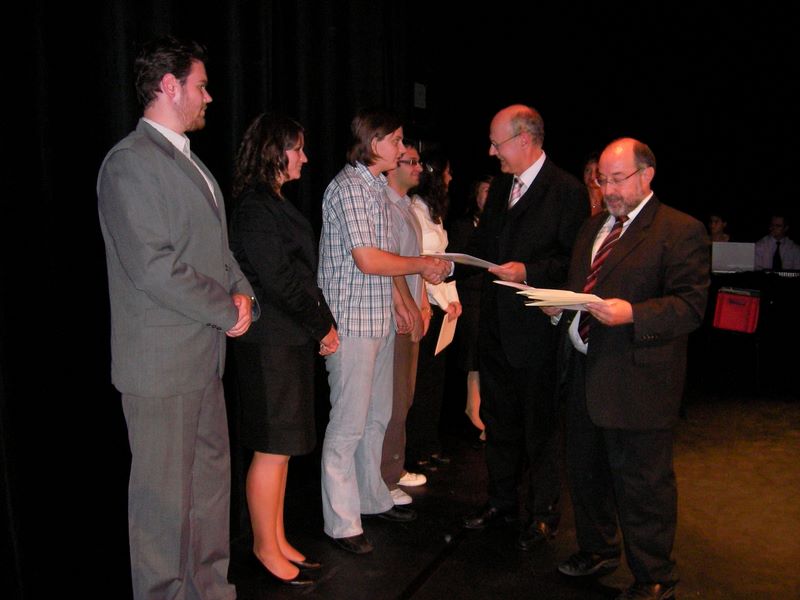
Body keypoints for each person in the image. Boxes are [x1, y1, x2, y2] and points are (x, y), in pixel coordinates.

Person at [96, 36, 254, 600]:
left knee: (209, 498)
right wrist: (224, 308)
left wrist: (244, 296)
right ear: (170, 86)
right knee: (162, 513)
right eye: (201, 86)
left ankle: (210, 592)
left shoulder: (193, 164)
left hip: (204, 361)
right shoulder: (129, 164)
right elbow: (153, 267)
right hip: (160, 371)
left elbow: (219, 253)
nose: (209, 97)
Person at [549, 138, 709, 600]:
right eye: (602, 180)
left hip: (638, 378)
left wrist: (633, 314)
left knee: (643, 484)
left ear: (647, 174)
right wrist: (559, 307)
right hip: (584, 371)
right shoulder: (592, 228)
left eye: (618, 179)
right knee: (586, 473)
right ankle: (597, 549)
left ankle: (654, 574)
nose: (609, 190)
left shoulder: (679, 229)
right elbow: (582, 288)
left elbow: (690, 306)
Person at [317, 108, 451, 555]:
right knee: (349, 424)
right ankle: (341, 522)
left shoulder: (375, 188)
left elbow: (384, 261)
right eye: (396, 140)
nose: (402, 148)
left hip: (377, 321)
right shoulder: (350, 188)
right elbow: (369, 259)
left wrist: (403, 302)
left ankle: (371, 498)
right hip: (353, 324)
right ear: (374, 144)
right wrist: (422, 265)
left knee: (377, 417)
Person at [460, 104, 588, 553]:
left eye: (497, 143)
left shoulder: (566, 191)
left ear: (525, 140)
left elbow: (573, 262)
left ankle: (543, 513)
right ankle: (501, 503)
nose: (491, 151)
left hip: (537, 332)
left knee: (541, 428)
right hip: (496, 328)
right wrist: (448, 266)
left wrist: (528, 271)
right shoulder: (501, 187)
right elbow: (482, 247)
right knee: (499, 423)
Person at [228, 113, 339, 586]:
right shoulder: (255, 207)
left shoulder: (271, 203)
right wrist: (322, 325)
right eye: (297, 148)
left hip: (285, 341)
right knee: (272, 450)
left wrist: (320, 324)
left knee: (283, 450)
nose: (304, 157)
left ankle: (275, 538)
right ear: (274, 151)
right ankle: (264, 547)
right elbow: (279, 281)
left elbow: (298, 278)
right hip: (268, 344)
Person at [380, 144, 431, 506]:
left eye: (418, 161)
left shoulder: (408, 208)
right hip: (394, 317)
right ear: (391, 168)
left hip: (411, 312)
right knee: (394, 400)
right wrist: (408, 305)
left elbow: (417, 263)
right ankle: (385, 477)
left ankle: (393, 469)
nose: (418, 168)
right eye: (410, 162)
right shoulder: (384, 206)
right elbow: (390, 264)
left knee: (405, 396)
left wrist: (423, 301)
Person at [406, 149, 462, 470]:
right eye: (447, 172)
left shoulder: (434, 213)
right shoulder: (413, 210)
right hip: (423, 305)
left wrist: (453, 299)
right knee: (420, 380)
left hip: (440, 305)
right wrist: (438, 300)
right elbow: (417, 264)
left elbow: (444, 260)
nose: (450, 177)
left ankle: (429, 442)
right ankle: (415, 448)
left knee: (435, 380)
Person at [447, 175, 492, 441]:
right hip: (470, 297)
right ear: (476, 195)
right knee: (473, 353)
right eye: (485, 190)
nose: (489, 195)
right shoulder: (463, 225)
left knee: (489, 355)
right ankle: (472, 408)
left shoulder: (501, 223)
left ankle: (484, 410)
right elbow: (456, 262)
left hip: (493, 297)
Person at [583, 152, 604, 217]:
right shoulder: (577, 199)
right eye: (588, 170)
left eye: (597, 171)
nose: (592, 176)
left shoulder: (610, 200)